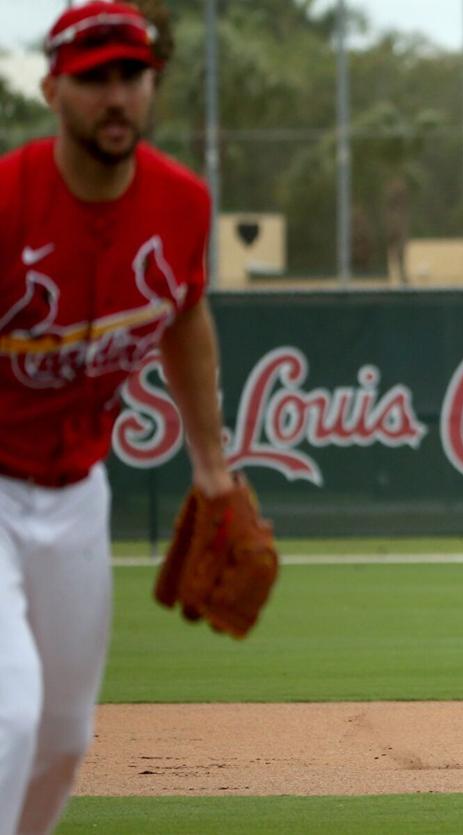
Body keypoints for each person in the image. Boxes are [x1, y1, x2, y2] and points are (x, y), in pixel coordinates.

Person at [0, 3, 233, 831]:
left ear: (152, 85)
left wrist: (211, 464)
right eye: (92, 77)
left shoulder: (181, 204)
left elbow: (184, 317)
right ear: (51, 87)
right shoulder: (7, 203)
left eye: (130, 75)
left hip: (75, 493)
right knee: (10, 715)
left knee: (64, 736)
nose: (115, 95)